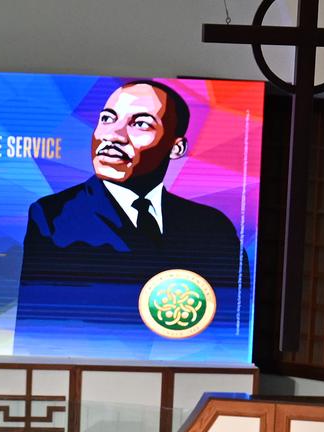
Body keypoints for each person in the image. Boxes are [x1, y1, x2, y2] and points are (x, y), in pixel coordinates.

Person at [15, 79, 247, 350]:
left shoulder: (212, 228)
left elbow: (232, 332)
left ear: (176, 148)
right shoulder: (53, 216)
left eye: (140, 124)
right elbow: (37, 333)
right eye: (107, 118)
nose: (113, 135)